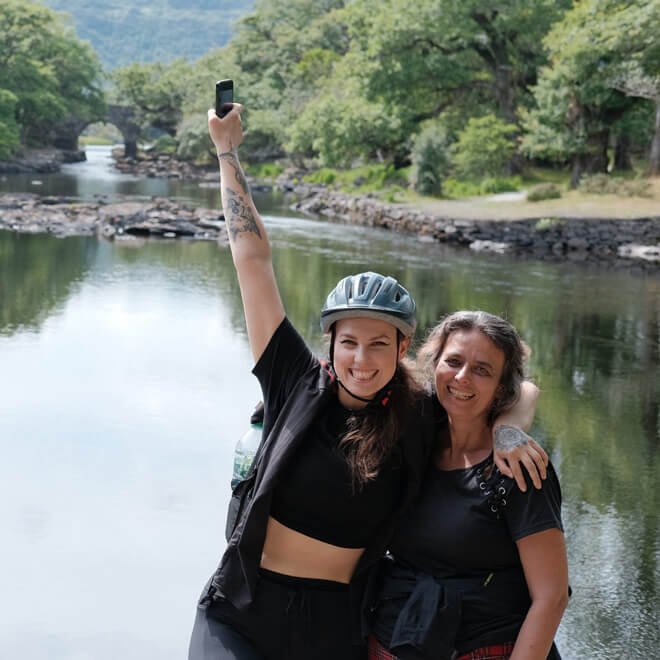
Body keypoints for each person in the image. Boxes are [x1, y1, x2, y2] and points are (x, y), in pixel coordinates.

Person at [188, 103, 548, 660]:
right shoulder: (292, 381)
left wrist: (508, 431)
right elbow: (251, 258)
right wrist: (227, 152)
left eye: (380, 344)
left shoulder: (418, 409)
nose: (362, 358)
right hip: (243, 610)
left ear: (404, 348)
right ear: (330, 343)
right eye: (349, 342)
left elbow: (521, 391)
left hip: (338, 623)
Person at [367, 311, 569, 660]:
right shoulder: (413, 433)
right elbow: (348, 382)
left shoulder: (518, 468)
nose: (462, 378)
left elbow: (551, 597)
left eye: (482, 370)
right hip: (392, 643)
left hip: (488, 649)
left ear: (502, 388)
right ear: (435, 365)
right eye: (454, 361)